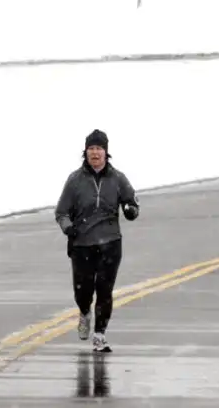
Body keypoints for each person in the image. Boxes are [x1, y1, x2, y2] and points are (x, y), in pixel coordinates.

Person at [55, 129, 140, 352]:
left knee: (104, 290)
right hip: (82, 243)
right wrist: (68, 228)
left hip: (110, 243)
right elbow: (61, 212)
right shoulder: (75, 180)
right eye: (91, 148)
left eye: (99, 148)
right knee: (83, 292)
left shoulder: (118, 178)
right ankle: (84, 312)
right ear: (85, 152)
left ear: (106, 152)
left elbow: (132, 202)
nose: (95, 153)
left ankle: (100, 334)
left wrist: (130, 210)